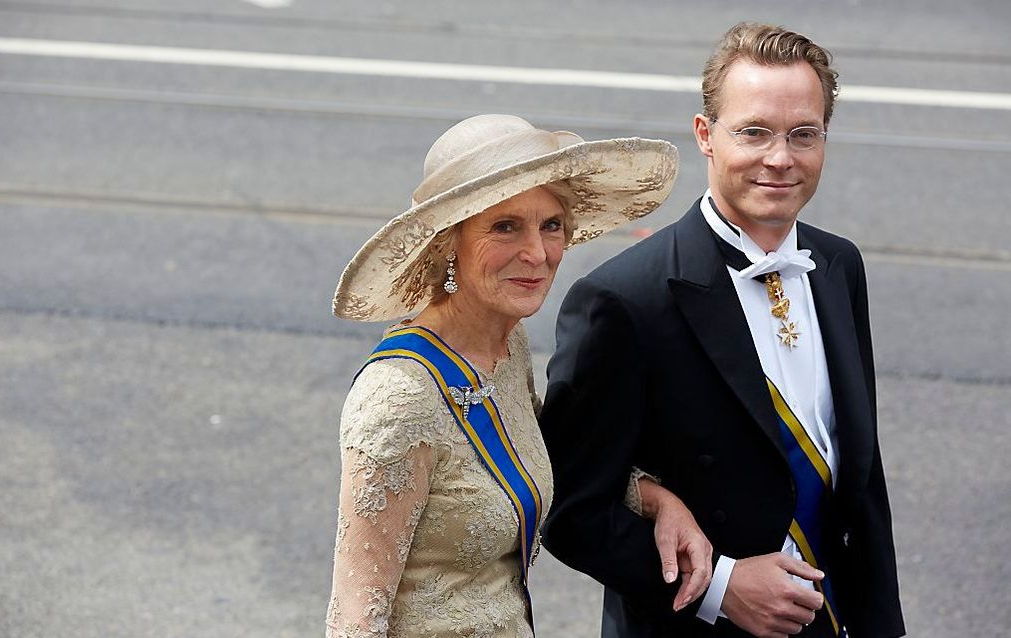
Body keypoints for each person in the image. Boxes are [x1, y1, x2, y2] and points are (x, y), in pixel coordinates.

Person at [540, 23, 905, 638]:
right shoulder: (624, 300)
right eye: (754, 132)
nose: (780, 158)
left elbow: (861, 480)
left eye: (803, 134)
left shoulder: (839, 265)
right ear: (706, 136)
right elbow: (568, 507)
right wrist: (720, 586)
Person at [326, 114, 708, 637]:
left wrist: (653, 498)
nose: (537, 253)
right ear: (447, 244)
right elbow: (354, 620)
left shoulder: (505, 345)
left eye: (551, 224)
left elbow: (535, 455)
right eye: (505, 226)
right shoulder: (398, 399)